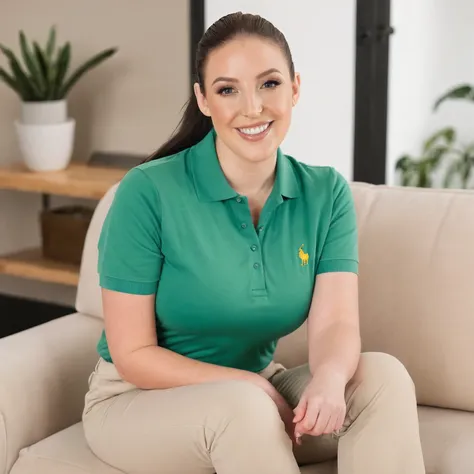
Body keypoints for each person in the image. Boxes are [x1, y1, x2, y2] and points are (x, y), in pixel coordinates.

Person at [82, 11, 426, 474]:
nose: (253, 107)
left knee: (381, 376)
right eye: (228, 89)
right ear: (203, 100)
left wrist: (327, 379)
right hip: (138, 404)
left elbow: (335, 324)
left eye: (269, 84)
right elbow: (133, 355)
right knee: (242, 410)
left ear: (295, 88)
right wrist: (251, 388)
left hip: (253, 398)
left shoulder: (325, 193)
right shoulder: (147, 192)